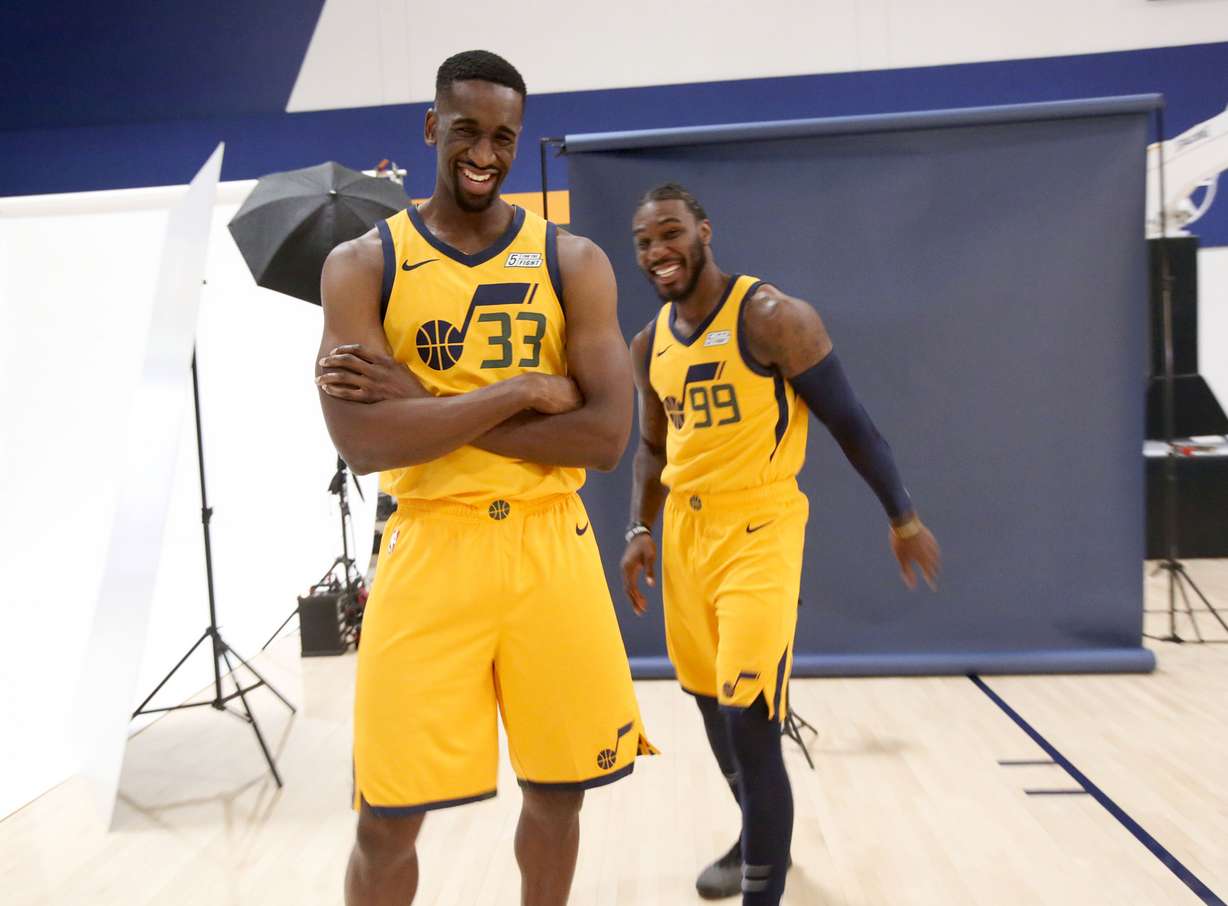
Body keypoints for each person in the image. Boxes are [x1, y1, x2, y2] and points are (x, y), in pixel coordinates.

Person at [315, 50, 653, 906]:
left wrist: (426, 404)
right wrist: (521, 392)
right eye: (466, 130)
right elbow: (365, 442)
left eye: (504, 137)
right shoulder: (363, 264)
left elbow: (606, 437)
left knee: (559, 792)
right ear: (433, 127)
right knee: (384, 817)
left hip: (550, 549)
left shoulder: (572, 261)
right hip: (431, 548)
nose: (484, 153)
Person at [620, 183, 941, 905]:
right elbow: (653, 446)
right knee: (710, 705)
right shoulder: (648, 344)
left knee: (751, 716)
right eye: (644, 242)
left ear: (704, 231)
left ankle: (761, 889)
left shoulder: (772, 317)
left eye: (670, 233)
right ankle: (759, 841)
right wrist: (640, 528)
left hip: (759, 528)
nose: (658, 251)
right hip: (687, 538)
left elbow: (852, 424)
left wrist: (903, 518)